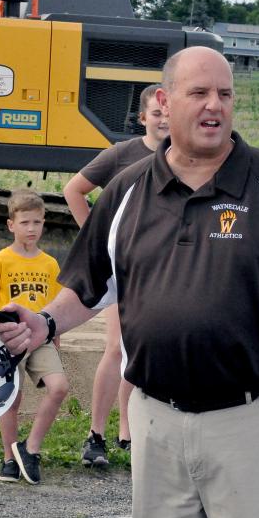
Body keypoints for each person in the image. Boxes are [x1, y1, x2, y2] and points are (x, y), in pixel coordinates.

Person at [0, 46, 259, 518]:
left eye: (225, 94)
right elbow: (88, 286)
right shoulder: (126, 192)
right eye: (200, 93)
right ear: (164, 101)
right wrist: (44, 322)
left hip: (250, 423)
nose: (215, 105)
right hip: (155, 422)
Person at [62, 83, 167, 467]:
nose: (163, 119)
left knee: (148, 351)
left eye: (167, 111)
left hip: (166, 271)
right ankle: (96, 434)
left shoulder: (187, 158)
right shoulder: (122, 154)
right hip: (125, 270)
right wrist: (98, 239)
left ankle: (131, 430)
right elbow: (74, 190)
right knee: (117, 348)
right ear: (143, 118)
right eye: (155, 113)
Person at [0, 189, 67, 485]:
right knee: (11, 400)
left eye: (37, 222)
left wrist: (56, 341)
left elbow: (55, 311)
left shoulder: (50, 264)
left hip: (40, 340)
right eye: (25, 222)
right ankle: (9, 460)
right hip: (8, 340)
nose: (31, 229)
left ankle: (30, 448)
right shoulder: (0, 261)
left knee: (59, 387)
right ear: (11, 225)